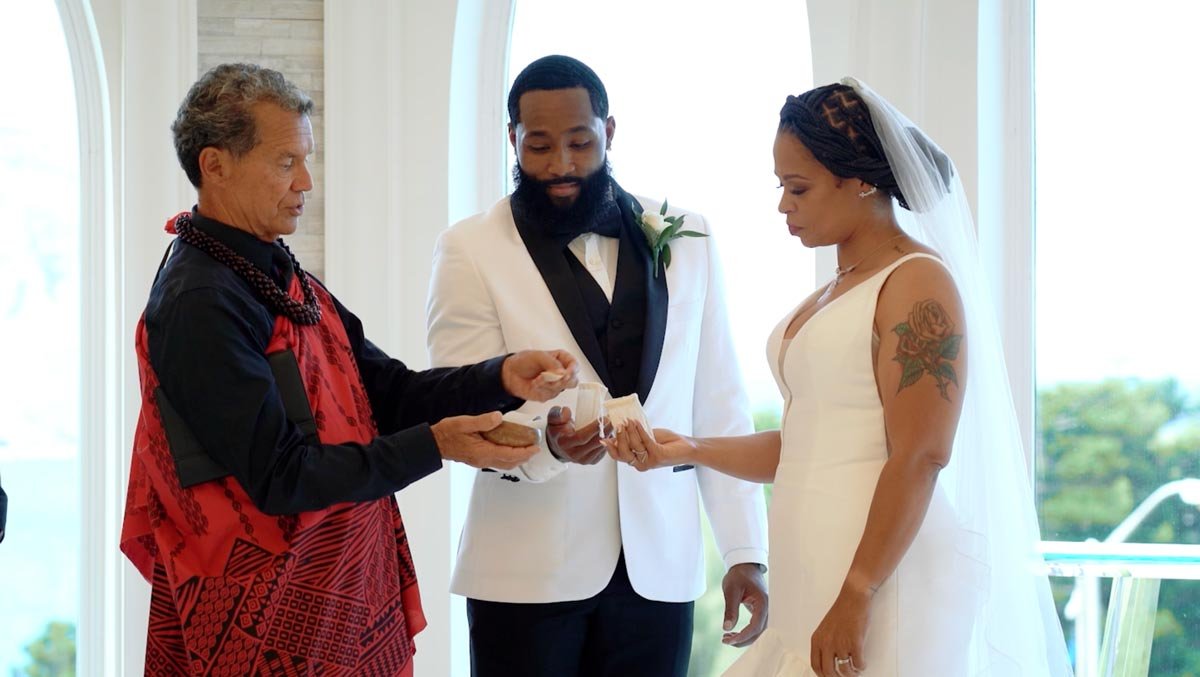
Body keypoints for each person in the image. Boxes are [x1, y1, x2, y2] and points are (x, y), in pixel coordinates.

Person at [119, 63, 578, 676]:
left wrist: (499, 376)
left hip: (338, 607)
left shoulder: (274, 272)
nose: (306, 181)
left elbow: (387, 393)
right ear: (215, 165)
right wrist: (436, 447)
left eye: (306, 159)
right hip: (260, 631)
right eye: (286, 162)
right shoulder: (200, 300)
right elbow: (281, 477)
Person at [607, 78, 1073, 676]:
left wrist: (858, 592)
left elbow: (922, 453)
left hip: (882, 578)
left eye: (797, 187)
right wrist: (692, 449)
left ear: (860, 181)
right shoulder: (835, 288)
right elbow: (808, 448)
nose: (783, 204)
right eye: (781, 187)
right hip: (813, 575)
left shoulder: (915, 282)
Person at [425, 55, 769, 677]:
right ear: (513, 140)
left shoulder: (688, 237)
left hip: (660, 571)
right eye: (539, 145)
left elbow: (718, 400)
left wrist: (746, 550)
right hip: (523, 573)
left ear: (609, 132)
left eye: (580, 142)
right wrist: (546, 446)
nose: (561, 164)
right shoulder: (468, 248)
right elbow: (463, 400)